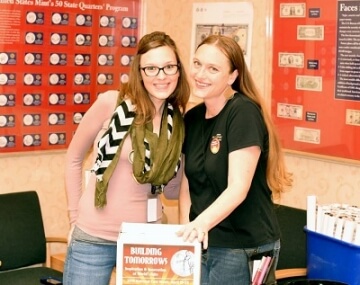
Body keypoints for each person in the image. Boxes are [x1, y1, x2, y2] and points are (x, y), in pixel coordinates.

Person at [63, 31, 190, 285]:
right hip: (92, 239)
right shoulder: (111, 103)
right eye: (151, 68)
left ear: (178, 70)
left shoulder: (178, 122)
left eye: (168, 67)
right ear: (139, 71)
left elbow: (173, 192)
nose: (161, 76)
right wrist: (74, 218)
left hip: (146, 243)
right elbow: (73, 159)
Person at [177, 35, 293, 285]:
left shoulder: (243, 112)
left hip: (242, 246)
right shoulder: (193, 118)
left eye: (213, 69)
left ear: (232, 76)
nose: (200, 74)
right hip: (204, 241)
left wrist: (198, 226)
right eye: (197, 64)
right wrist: (185, 234)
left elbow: (238, 188)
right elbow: (189, 184)